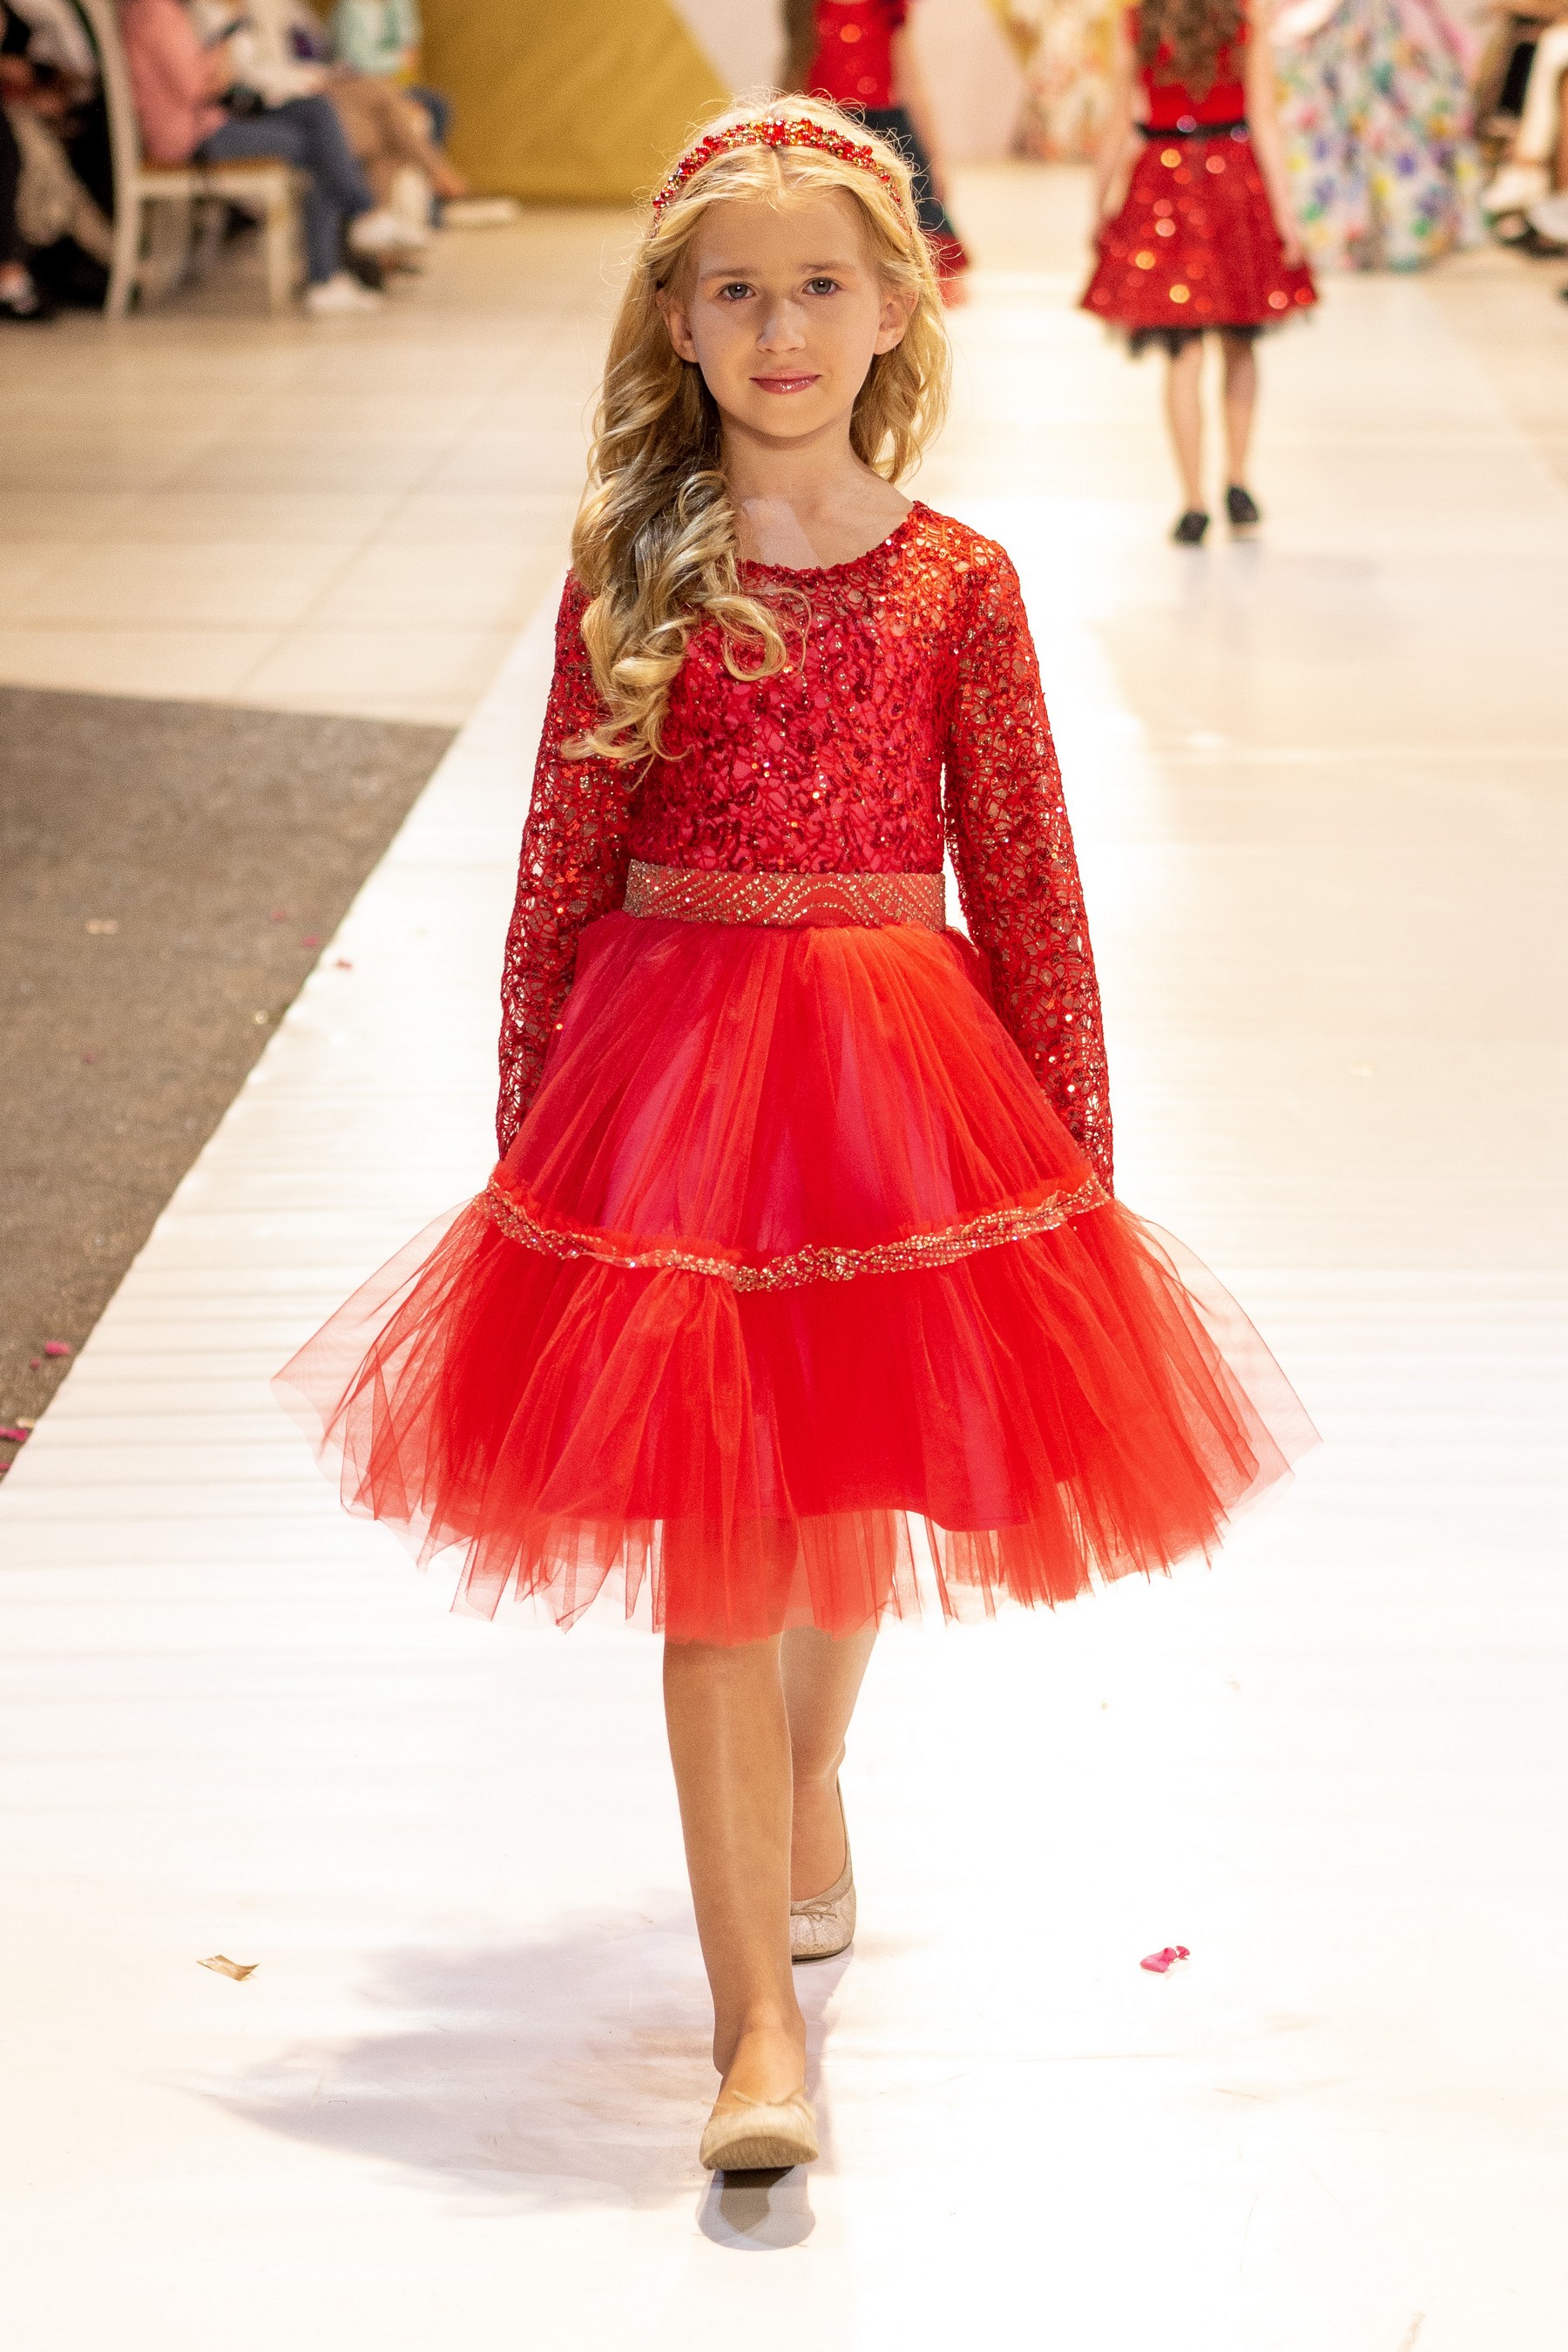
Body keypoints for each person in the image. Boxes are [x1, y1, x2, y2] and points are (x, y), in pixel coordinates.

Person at [276, 98, 1315, 2177]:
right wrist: (531, 1135)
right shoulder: (631, 571)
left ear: (891, 308)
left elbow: (1028, 873)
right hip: (668, 1082)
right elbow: (558, 866)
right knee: (716, 1556)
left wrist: (1074, 1151)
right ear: (674, 319)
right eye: (735, 291)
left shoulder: (959, 583)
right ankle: (756, 2026)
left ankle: (814, 1773)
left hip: (892, 1069)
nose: (777, 329)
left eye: (818, 285)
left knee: (857, 1458)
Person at [1083, 0, 1316, 543]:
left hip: (1161, 182)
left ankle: (1193, 501)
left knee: (1182, 351)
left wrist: (1100, 200)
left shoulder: (1140, 20)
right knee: (1240, 339)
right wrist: (1285, 214)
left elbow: (1120, 121)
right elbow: (1264, 119)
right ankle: (1237, 481)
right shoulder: (1241, 18)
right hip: (1234, 182)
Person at [118, 0, 387, 312]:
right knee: (319, 147)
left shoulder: (168, 11)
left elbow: (206, 78)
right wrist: (227, 37)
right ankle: (340, 252)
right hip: (188, 138)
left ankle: (352, 234)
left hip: (207, 123)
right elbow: (200, 86)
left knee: (317, 111)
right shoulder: (153, 12)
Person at [1274, 0, 1481, 270]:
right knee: (1339, 121)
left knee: (1389, 123)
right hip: (1335, 27)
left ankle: (1397, 237)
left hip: (1377, 28)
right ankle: (1344, 239)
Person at [783, 0, 970, 292]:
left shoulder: (887, 7)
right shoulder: (807, 6)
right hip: (828, 131)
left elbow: (911, 84)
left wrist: (934, 160)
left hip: (887, 132)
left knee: (915, 222)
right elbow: (795, 71)